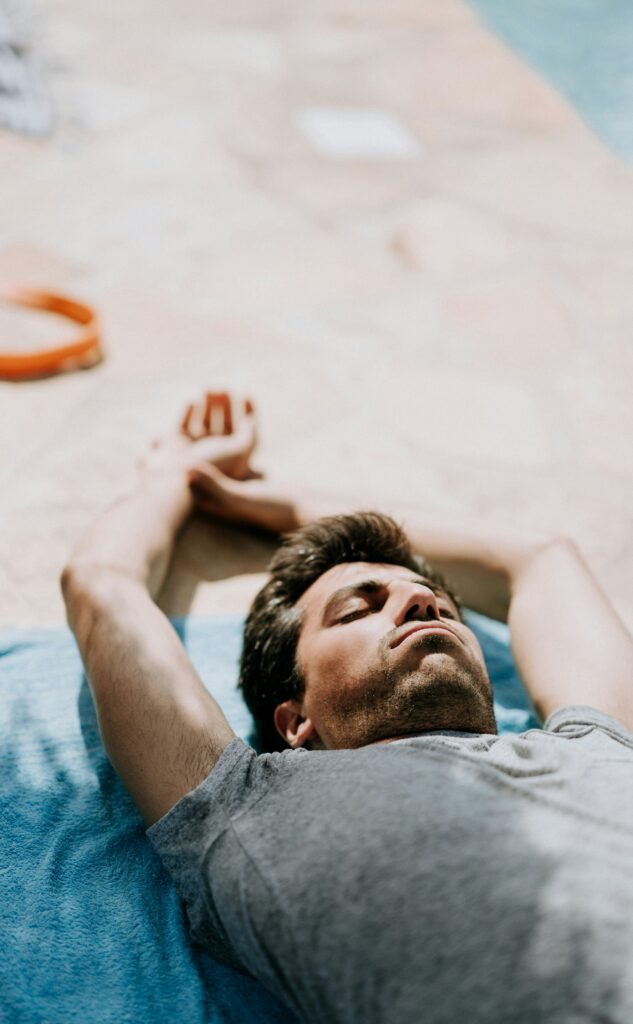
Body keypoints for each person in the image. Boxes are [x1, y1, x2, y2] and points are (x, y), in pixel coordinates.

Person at [61, 392, 633, 1023]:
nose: (420, 604)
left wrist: (280, 505)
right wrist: (176, 475)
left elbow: (541, 558)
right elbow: (102, 587)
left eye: (441, 605)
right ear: (294, 720)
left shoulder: (598, 740)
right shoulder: (242, 809)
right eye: (360, 609)